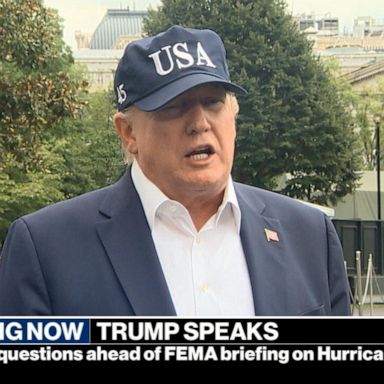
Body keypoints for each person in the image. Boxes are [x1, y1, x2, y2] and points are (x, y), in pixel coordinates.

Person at [0, 25, 350, 316]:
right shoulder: (46, 250)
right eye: (173, 107)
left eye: (213, 102)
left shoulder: (310, 237)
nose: (199, 123)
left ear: (233, 116)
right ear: (128, 133)